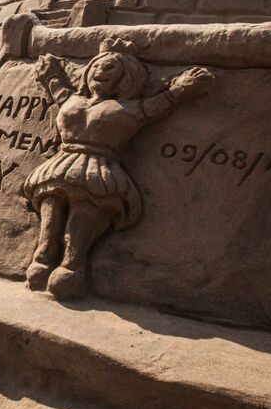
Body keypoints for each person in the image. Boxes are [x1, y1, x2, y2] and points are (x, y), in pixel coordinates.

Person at [21, 40, 214, 299]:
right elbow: (57, 87)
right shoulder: (73, 99)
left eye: (109, 68)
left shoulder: (128, 108)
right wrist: (50, 72)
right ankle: (43, 257)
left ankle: (72, 265)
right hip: (60, 164)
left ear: (126, 76)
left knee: (83, 210)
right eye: (96, 66)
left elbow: (159, 105)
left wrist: (180, 89)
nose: (100, 72)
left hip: (97, 168)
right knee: (51, 208)